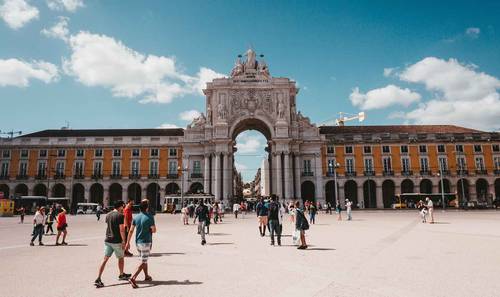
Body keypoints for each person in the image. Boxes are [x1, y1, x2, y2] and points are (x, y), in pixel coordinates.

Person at [94, 201, 131, 288]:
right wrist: (124, 241)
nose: (123, 208)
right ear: (120, 206)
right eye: (123, 206)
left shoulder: (108, 214)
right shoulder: (120, 216)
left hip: (108, 240)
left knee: (105, 259)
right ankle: (121, 274)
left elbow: (109, 226)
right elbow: (122, 230)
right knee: (121, 258)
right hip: (117, 241)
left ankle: (98, 278)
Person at [125, 199, 156, 289]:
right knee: (143, 261)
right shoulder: (150, 217)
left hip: (138, 242)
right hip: (146, 242)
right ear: (147, 208)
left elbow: (130, 231)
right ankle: (133, 278)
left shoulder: (136, 217)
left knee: (143, 259)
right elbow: (154, 230)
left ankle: (146, 276)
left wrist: (127, 243)